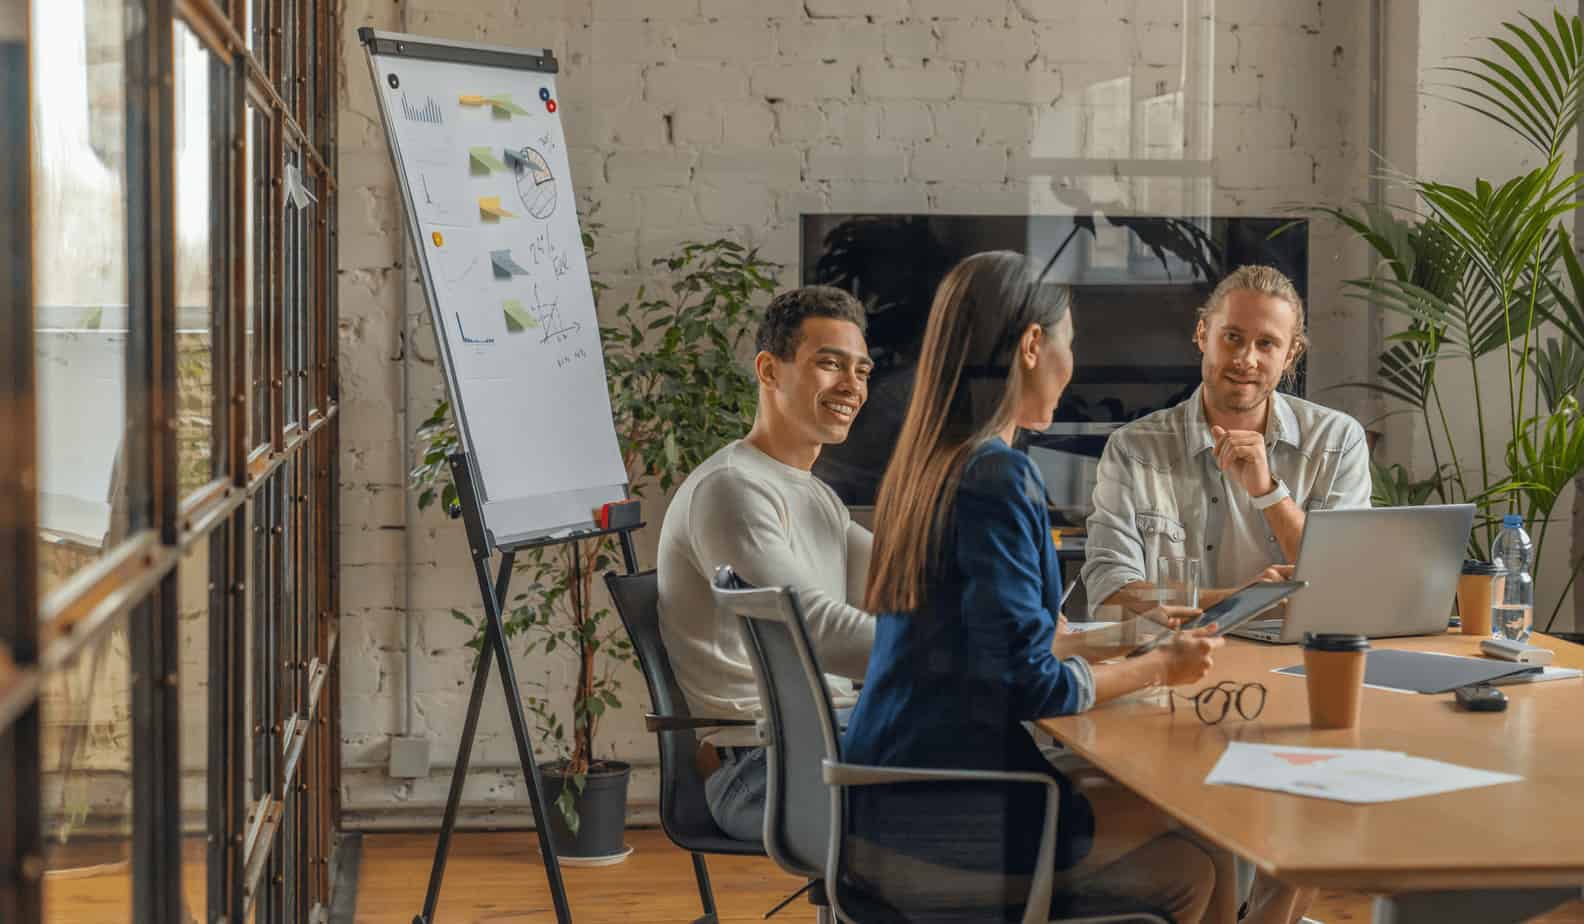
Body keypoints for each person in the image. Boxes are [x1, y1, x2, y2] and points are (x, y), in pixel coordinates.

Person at [845, 250, 1236, 924]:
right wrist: (1157, 666)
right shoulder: (996, 477)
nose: (1072, 365)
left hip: (888, 797)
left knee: (1201, 821)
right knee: (1204, 846)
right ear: (1032, 345)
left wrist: (1128, 638)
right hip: (949, 819)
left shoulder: (929, 465)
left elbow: (1014, 639)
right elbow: (1036, 684)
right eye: (1070, 345)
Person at [657, 284, 876, 843]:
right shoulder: (733, 490)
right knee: (1000, 802)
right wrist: (969, 650)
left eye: (862, 371)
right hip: (764, 770)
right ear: (769, 370)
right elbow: (817, 632)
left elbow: (902, 581)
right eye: (829, 365)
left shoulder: (814, 495)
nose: (851, 385)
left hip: (828, 741)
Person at [1083, 264, 1372, 616]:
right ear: (1203, 334)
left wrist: (1270, 493)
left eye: (1266, 343)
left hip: (1297, 663)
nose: (1245, 359)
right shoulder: (1133, 449)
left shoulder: (1337, 441)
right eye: (1232, 337)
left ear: (1291, 354)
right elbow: (1110, 596)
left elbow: (1345, 587)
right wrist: (1237, 601)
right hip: (1172, 661)